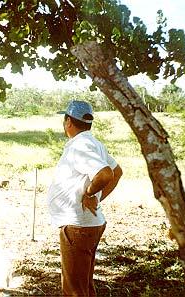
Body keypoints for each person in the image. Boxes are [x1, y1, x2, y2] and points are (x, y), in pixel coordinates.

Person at [47, 100, 123, 297]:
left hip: (78, 226)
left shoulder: (80, 145)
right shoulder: (92, 143)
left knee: (74, 291)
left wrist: (90, 194)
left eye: (65, 121)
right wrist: (97, 198)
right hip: (85, 225)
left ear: (68, 122)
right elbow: (118, 171)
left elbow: (107, 174)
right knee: (84, 287)